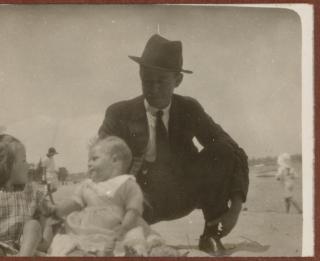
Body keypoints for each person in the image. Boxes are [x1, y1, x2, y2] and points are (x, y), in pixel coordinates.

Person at [99, 34, 249, 256]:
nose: (154, 88)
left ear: (178, 80)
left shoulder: (189, 108)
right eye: (147, 80)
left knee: (222, 150)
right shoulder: (119, 113)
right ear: (139, 75)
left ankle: (211, 235)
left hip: (184, 195)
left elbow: (232, 150)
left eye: (162, 81)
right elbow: (100, 163)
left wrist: (235, 209)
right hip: (139, 202)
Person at [48, 136, 173, 256]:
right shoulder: (87, 185)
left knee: (135, 238)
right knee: (70, 243)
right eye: (89, 160)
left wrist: (124, 227)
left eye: (94, 158)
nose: (89, 163)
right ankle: (85, 254)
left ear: (114, 160)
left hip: (118, 227)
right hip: (87, 228)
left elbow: (133, 210)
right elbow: (74, 203)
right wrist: (55, 209)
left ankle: (145, 251)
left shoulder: (126, 184)